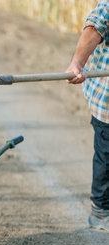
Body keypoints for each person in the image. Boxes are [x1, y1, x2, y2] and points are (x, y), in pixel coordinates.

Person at [66, 1, 109, 231]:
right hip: (107, 101)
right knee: (107, 157)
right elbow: (94, 27)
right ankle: (100, 211)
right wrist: (77, 63)